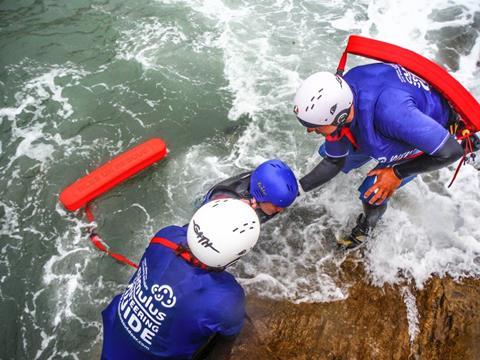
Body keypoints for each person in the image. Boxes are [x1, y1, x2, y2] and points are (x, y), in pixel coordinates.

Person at [293, 64, 464, 249]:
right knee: (330, 153)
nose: (309, 130)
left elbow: (452, 151)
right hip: (381, 115)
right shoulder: (342, 95)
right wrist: (297, 190)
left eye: (314, 125)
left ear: (340, 117)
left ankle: (366, 228)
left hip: (429, 128)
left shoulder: (394, 115)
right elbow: (334, 159)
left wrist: (397, 173)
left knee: (373, 191)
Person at [101, 198, 261, 359]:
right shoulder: (226, 296)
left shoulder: (165, 236)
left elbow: (188, 234)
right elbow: (225, 341)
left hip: (113, 341)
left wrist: (225, 213)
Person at [202, 159, 298, 223]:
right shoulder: (223, 198)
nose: (280, 210)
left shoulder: (270, 194)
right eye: (277, 206)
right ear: (261, 195)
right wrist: (234, 211)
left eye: (283, 206)